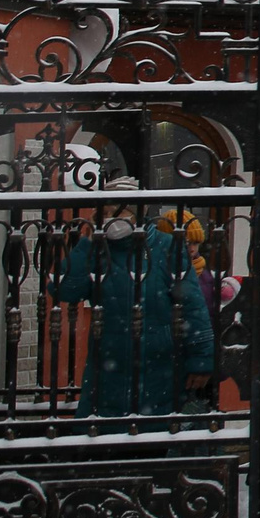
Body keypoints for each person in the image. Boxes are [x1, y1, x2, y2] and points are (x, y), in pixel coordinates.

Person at [63, 179, 215, 418]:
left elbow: (192, 305)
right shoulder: (98, 249)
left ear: (137, 214)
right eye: (105, 212)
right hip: (108, 364)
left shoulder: (165, 246)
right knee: (103, 430)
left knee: (153, 430)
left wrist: (202, 357)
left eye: (116, 211)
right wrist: (87, 243)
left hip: (159, 366)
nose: (110, 218)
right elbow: (67, 290)